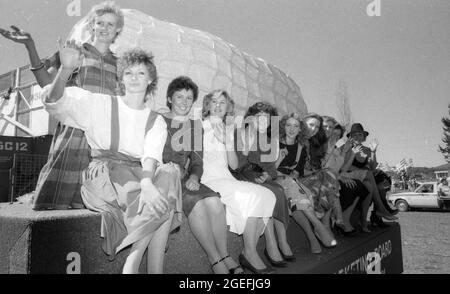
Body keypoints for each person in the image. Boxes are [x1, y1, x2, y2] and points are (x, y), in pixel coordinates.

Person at [42, 45, 182, 274]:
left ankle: (134, 262)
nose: (134, 78)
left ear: (150, 79)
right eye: (129, 73)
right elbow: (54, 100)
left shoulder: (155, 120)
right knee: (161, 198)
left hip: (139, 176)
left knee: (170, 173)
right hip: (105, 175)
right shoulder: (100, 104)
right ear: (121, 78)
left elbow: (151, 155)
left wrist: (147, 183)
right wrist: (66, 69)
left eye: (141, 73)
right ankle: (148, 268)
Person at [0, 1, 125, 210]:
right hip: (72, 137)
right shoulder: (75, 51)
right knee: (56, 205)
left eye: (110, 24)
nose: (104, 28)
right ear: (92, 25)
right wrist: (30, 45)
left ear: (117, 30)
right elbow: (46, 85)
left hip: (103, 142)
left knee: (92, 209)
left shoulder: (121, 65)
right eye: (100, 23)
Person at [160, 76, 242, 274]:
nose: (184, 102)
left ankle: (225, 254)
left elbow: (197, 162)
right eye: (179, 97)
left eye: (189, 98)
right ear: (169, 99)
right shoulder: (159, 120)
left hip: (185, 176)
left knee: (214, 201)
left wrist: (194, 177)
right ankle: (215, 261)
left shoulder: (194, 126)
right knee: (196, 203)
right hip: (164, 176)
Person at [200, 89, 277, 274]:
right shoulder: (199, 126)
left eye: (222, 102)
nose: (218, 106)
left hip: (225, 176)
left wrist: (227, 142)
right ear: (208, 105)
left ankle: (248, 251)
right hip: (208, 177)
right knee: (253, 195)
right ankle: (250, 253)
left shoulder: (229, 130)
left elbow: (234, 165)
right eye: (214, 102)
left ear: (228, 107)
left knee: (268, 195)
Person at [233, 102, 293, 266]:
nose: (262, 121)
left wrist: (268, 175)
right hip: (242, 175)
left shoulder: (268, 140)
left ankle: (282, 241)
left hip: (260, 176)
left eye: (267, 118)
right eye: (259, 117)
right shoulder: (239, 134)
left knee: (278, 190)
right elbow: (236, 164)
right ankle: (272, 244)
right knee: (270, 193)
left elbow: (271, 168)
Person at [276, 113, 337, 253]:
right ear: (283, 126)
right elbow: (269, 168)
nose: (291, 129)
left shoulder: (300, 148)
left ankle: (312, 238)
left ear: (299, 130)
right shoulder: (275, 142)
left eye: (295, 126)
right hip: (274, 179)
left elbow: (297, 171)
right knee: (297, 189)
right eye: (288, 125)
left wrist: (293, 175)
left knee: (297, 199)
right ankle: (318, 226)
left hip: (291, 183)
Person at [342, 123, 397, 232]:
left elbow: (372, 166)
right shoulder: (346, 148)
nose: (358, 137)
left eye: (360, 134)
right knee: (369, 175)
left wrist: (373, 152)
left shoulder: (366, 150)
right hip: (349, 177)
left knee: (370, 187)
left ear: (364, 137)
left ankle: (364, 223)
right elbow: (343, 167)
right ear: (350, 137)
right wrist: (361, 170)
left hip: (365, 178)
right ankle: (382, 210)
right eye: (355, 135)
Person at [323, 122, 369, 235]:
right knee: (354, 185)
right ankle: (341, 220)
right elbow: (324, 167)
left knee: (360, 186)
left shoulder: (338, 149)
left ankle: (345, 220)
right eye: (333, 133)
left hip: (336, 176)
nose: (335, 137)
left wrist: (347, 152)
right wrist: (340, 177)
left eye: (338, 135)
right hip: (326, 178)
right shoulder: (324, 147)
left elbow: (339, 168)